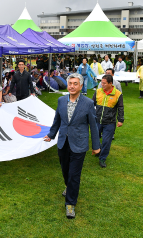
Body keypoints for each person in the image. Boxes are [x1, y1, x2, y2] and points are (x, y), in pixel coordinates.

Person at [43, 73, 100, 219]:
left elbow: (93, 126)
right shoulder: (61, 100)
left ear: (81, 86)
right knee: (65, 170)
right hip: (63, 142)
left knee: (74, 175)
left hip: (79, 144)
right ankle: (68, 186)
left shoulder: (87, 103)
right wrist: (51, 135)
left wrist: (96, 145)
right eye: (70, 83)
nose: (72, 86)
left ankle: (70, 204)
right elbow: (57, 120)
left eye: (75, 83)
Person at [92, 75, 124, 168]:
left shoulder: (118, 94)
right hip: (97, 120)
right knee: (95, 138)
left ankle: (102, 158)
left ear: (110, 83)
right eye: (101, 82)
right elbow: (91, 104)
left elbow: (120, 108)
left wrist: (120, 120)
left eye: (104, 83)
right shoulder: (98, 91)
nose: (102, 84)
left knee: (106, 141)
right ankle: (98, 150)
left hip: (110, 122)